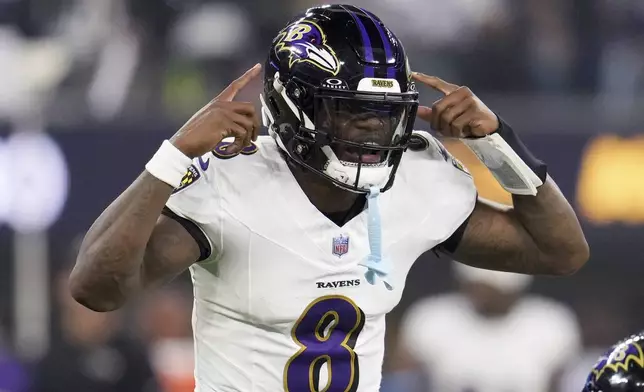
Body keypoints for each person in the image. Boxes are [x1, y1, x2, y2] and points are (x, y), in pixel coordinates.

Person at [68, 4, 589, 391]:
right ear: (295, 107)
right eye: (351, 111)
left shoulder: (416, 183)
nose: (372, 131)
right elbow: (98, 288)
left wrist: (500, 145)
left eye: (383, 113)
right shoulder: (231, 183)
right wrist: (173, 157)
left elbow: (561, 251)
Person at [396, 261, 582, 392]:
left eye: (490, 288)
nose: (481, 294)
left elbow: (564, 384)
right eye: (475, 285)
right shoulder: (431, 318)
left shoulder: (551, 324)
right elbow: (400, 381)